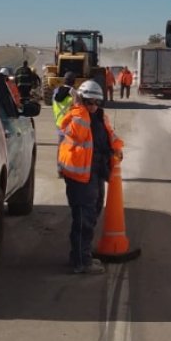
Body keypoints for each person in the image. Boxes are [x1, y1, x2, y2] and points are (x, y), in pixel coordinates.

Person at [58, 80, 124, 274]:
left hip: (96, 172)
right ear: (82, 100)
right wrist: (79, 106)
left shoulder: (100, 116)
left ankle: (82, 254)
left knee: (93, 213)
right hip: (81, 176)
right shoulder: (76, 116)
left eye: (97, 102)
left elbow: (110, 136)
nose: (94, 105)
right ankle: (81, 261)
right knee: (83, 219)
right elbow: (78, 134)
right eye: (89, 101)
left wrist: (117, 149)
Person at [52, 71, 77, 176]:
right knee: (72, 147)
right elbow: (77, 107)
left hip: (59, 123)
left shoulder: (56, 91)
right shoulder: (73, 93)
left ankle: (60, 169)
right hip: (70, 124)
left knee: (61, 147)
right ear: (73, 82)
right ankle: (70, 169)